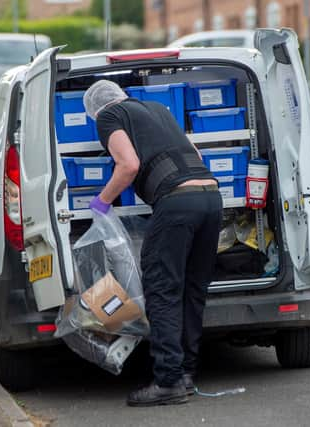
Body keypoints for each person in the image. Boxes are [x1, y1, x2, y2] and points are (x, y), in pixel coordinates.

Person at [83, 80, 223, 406]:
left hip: (178, 202)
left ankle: (168, 381)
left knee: (162, 290)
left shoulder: (109, 116)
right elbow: (195, 153)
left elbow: (128, 165)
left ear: (95, 110)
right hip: (210, 197)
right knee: (192, 290)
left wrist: (102, 202)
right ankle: (186, 374)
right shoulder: (159, 109)